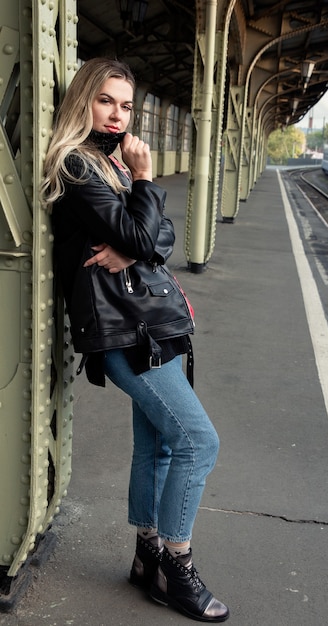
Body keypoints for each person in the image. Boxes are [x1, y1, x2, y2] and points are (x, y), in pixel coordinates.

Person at [41, 57, 229, 623]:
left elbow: (157, 238)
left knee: (160, 446)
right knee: (199, 442)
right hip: (127, 333)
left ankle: (147, 558)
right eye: (106, 101)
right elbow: (144, 232)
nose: (118, 115)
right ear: (82, 102)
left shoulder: (107, 162)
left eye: (126, 105)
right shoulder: (77, 164)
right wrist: (144, 183)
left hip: (145, 322)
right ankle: (178, 565)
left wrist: (135, 238)